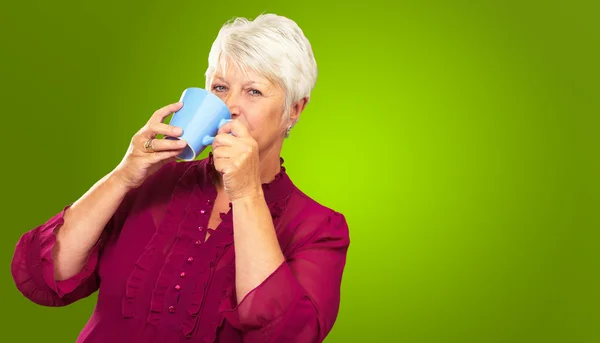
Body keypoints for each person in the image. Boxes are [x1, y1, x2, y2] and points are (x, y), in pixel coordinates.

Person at [10, 13, 350, 343]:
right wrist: (124, 175)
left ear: (295, 110)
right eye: (220, 87)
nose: (230, 105)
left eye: (254, 92)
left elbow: (286, 335)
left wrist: (246, 194)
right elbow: (48, 276)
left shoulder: (319, 228)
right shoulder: (152, 182)